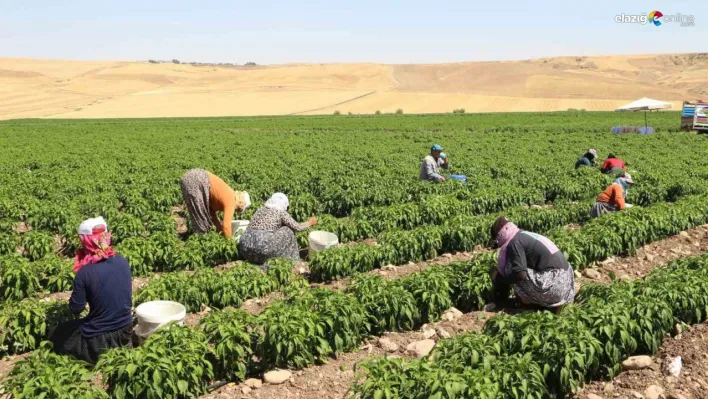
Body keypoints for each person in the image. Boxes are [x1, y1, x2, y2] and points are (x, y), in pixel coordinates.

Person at [47, 217, 133, 364]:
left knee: (55, 334)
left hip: (99, 340)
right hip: (126, 330)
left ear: (85, 241)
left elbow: (76, 309)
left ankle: (89, 358)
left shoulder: (85, 273)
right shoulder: (122, 261)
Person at [487, 217, 575, 313]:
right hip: (566, 286)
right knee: (518, 265)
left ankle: (528, 303)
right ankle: (546, 303)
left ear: (500, 236)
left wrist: (499, 278)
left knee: (510, 267)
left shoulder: (514, 242)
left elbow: (520, 274)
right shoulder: (523, 234)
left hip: (555, 287)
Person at [238, 193, 317, 265]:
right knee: (288, 230)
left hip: (245, 249)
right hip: (262, 250)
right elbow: (297, 227)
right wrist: (309, 223)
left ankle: (254, 261)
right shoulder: (280, 211)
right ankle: (293, 261)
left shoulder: (259, 210)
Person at [180, 168, 251, 237]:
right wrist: (230, 243)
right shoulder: (231, 200)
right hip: (198, 180)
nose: (235, 210)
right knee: (201, 223)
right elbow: (226, 226)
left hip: (189, 178)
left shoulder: (227, 195)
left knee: (199, 217)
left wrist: (220, 231)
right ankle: (199, 240)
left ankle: (198, 238)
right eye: (238, 209)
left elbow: (213, 216)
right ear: (240, 203)